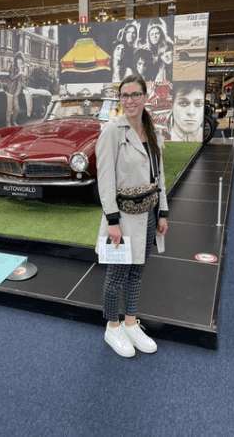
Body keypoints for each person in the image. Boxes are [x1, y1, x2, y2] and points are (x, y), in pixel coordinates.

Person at [95, 74, 170, 358]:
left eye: (135, 94)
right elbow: (105, 180)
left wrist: (162, 211)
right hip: (122, 217)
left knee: (137, 272)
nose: (130, 100)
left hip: (148, 214)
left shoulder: (153, 131)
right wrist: (112, 221)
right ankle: (112, 326)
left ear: (145, 96)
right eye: (124, 95)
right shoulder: (113, 131)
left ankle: (130, 322)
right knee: (116, 276)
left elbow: (159, 177)